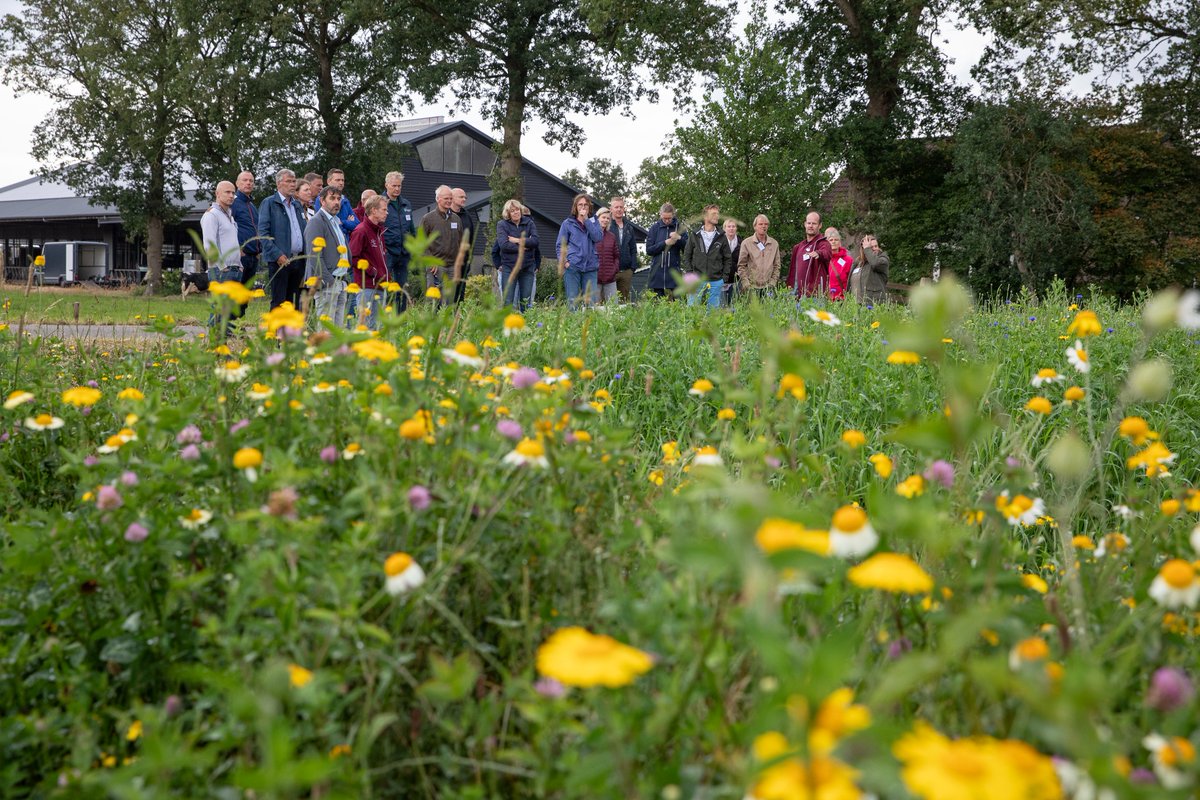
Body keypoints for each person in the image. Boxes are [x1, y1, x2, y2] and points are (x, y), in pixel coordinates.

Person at [257, 168, 307, 309]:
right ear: (279, 184)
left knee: (293, 303)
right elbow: (263, 233)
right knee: (279, 302)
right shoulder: (269, 203)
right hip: (280, 261)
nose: (293, 184)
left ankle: (289, 332)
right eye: (289, 181)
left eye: (294, 181)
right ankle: (274, 331)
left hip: (298, 261)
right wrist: (277, 255)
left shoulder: (297, 205)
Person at [304, 186, 352, 327]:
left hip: (341, 281)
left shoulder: (335, 221)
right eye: (332, 198)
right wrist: (328, 280)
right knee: (326, 330)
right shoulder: (317, 221)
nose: (336, 202)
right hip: (328, 282)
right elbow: (314, 256)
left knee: (338, 331)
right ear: (322, 201)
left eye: (338, 199)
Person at [201, 180, 243, 334]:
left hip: (234, 268)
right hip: (221, 270)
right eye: (227, 192)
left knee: (227, 309)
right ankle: (214, 341)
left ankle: (223, 339)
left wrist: (238, 264)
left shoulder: (229, 216)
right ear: (217, 193)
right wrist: (222, 266)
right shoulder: (211, 215)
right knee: (219, 307)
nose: (231, 196)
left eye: (233, 193)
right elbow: (209, 244)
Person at [348, 195, 390, 329]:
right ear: (373, 210)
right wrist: (373, 271)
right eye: (384, 210)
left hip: (380, 285)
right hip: (367, 286)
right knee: (366, 326)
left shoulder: (379, 231)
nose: (387, 212)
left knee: (378, 327)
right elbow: (353, 257)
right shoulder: (361, 231)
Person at [555, 193, 603, 309]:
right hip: (573, 267)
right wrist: (565, 262)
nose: (583, 207)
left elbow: (597, 237)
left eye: (586, 205)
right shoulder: (567, 223)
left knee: (591, 303)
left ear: (589, 207)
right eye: (580, 204)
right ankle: (573, 327)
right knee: (573, 303)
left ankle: (590, 326)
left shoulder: (594, 222)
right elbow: (560, 246)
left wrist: (586, 220)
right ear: (575, 207)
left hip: (590, 267)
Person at [681, 203, 732, 309]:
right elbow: (687, 255)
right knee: (692, 310)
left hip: (716, 281)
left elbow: (728, 258)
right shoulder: (695, 235)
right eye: (713, 214)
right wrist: (690, 273)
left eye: (718, 214)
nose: (717, 216)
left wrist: (724, 278)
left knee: (713, 313)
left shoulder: (722, 236)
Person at [419, 185, 463, 305]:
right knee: (433, 302)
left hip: (452, 267)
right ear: (438, 199)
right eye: (446, 198)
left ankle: (447, 324)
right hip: (436, 267)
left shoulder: (456, 219)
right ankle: (429, 323)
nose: (449, 201)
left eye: (450, 198)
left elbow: (460, 241)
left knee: (449, 302)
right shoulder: (428, 219)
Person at [495, 198, 539, 312]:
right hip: (509, 267)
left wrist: (517, 240)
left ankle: (526, 327)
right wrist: (524, 245)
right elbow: (504, 245)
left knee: (526, 302)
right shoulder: (502, 225)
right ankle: (507, 328)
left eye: (517, 210)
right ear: (508, 213)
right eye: (512, 210)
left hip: (527, 266)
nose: (516, 212)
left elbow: (535, 241)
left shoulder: (529, 223)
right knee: (508, 302)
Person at [382, 172, 416, 310]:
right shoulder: (380, 202)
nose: (397, 189)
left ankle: (400, 319)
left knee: (401, 287)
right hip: (387, 251)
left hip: (403, 253)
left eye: (399, 186)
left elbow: (411, 227)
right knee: (384, 285)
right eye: (394, 186)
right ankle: (383, 316)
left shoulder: (406, 203)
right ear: (386, 185)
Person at [645, 203, 687, 298]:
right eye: (665, 218)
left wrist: (679, 238)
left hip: (674, 272)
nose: (667, 221)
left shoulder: (680, 228)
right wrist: (664, 243)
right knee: (657, 306)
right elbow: (649, 250)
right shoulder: (654, 228)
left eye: (669, 218)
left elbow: (688, 249)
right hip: (657, 273)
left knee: (678, 304)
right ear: (660, 214)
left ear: (673, 215)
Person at [787, 210, 831, 298]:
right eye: (809, 223)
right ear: (805, 224)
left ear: (820, 225)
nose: (811, 226)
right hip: (798, 296)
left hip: (816, 296)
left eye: (814, 223)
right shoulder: (798, 247)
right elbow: (793, 271)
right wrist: (790, 288)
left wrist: (819, 253)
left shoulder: (823, 243)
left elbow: (826, 253)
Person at [736, 214, 781, 297]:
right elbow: (741, 266)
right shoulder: (746, 243)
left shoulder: (774, 244)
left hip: (768, 287)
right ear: (755, 227)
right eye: (760, 224)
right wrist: (746, 283)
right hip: (751, 287)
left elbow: (777, 266)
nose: (763, 226)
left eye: (766, 224)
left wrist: (773, 282)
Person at [231, 171, 260, 293]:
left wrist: (259, 250)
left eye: (251, 181)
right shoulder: (233, 203)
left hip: (254, 257)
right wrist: (238, 249)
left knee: (244, 297)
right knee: (234, 297)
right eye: (245, 180)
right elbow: (228, 228)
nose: (248, 183)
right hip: (240, 257)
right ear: (237, 183)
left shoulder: (252, 206)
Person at [610, 196, 637, 302]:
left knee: (624, 303)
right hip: (610, 271)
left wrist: (632, 268)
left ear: (624, 209)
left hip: (626, 271)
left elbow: (633, 249)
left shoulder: (629, 228)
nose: (619, 209)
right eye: (616, 207)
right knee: (609, 301)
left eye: (621, 207)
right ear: (611, 209)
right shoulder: (606, 225)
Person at [851, 233, 890, 305]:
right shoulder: (858, 263)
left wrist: (867, 249)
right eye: (871, 247)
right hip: (857, 305)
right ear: (863, 249)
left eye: (876, 246)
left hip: (875, 305)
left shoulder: (883, 260)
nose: (875, 248)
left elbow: (875, 263)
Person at [451, 187, 479, 276]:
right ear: (452, 198)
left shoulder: (467, 216)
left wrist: (469, 259)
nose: (464, 199)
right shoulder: (445, 215)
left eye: (465, 197)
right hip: (448, 262)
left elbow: (471, 239)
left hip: (463, 262)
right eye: (461, 197)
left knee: (461, 289)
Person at [595, 207, 620, 302]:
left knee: (613, 309)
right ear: (598, 218)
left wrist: (614, 270)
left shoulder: (611, 236)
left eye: (608, 218)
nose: (605, 220)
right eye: (603, 217)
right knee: (593, 310)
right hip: (595, 279)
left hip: (610, 279)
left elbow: (616, 256)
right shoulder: (590, 235)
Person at [325, 169, 359, 236]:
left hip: (345, 243)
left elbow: (356, 224)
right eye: (337, 180)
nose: (341, 183)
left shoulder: (345, 200)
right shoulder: (322, 199)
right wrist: (348, 224)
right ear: (328, 181)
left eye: (342, 180)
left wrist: (342, 222)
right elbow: (329, 225)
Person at [826, 227, 853, 300]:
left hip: (841, 299)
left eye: (836, 239)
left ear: (840, 242)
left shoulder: (848, 260)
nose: (833, 242)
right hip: (826, 299)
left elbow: (851, 281)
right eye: (831, 240)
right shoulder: (824, 259)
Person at [722, 218, 740, 306]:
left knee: (734, 305)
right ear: (724, 228)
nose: (731, 228)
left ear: (736, 228)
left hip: (736, 279)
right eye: (729, 226)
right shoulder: (719, 242)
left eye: (733, 226)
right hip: (721, 279)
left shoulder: (741, 242)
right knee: (722, 305)